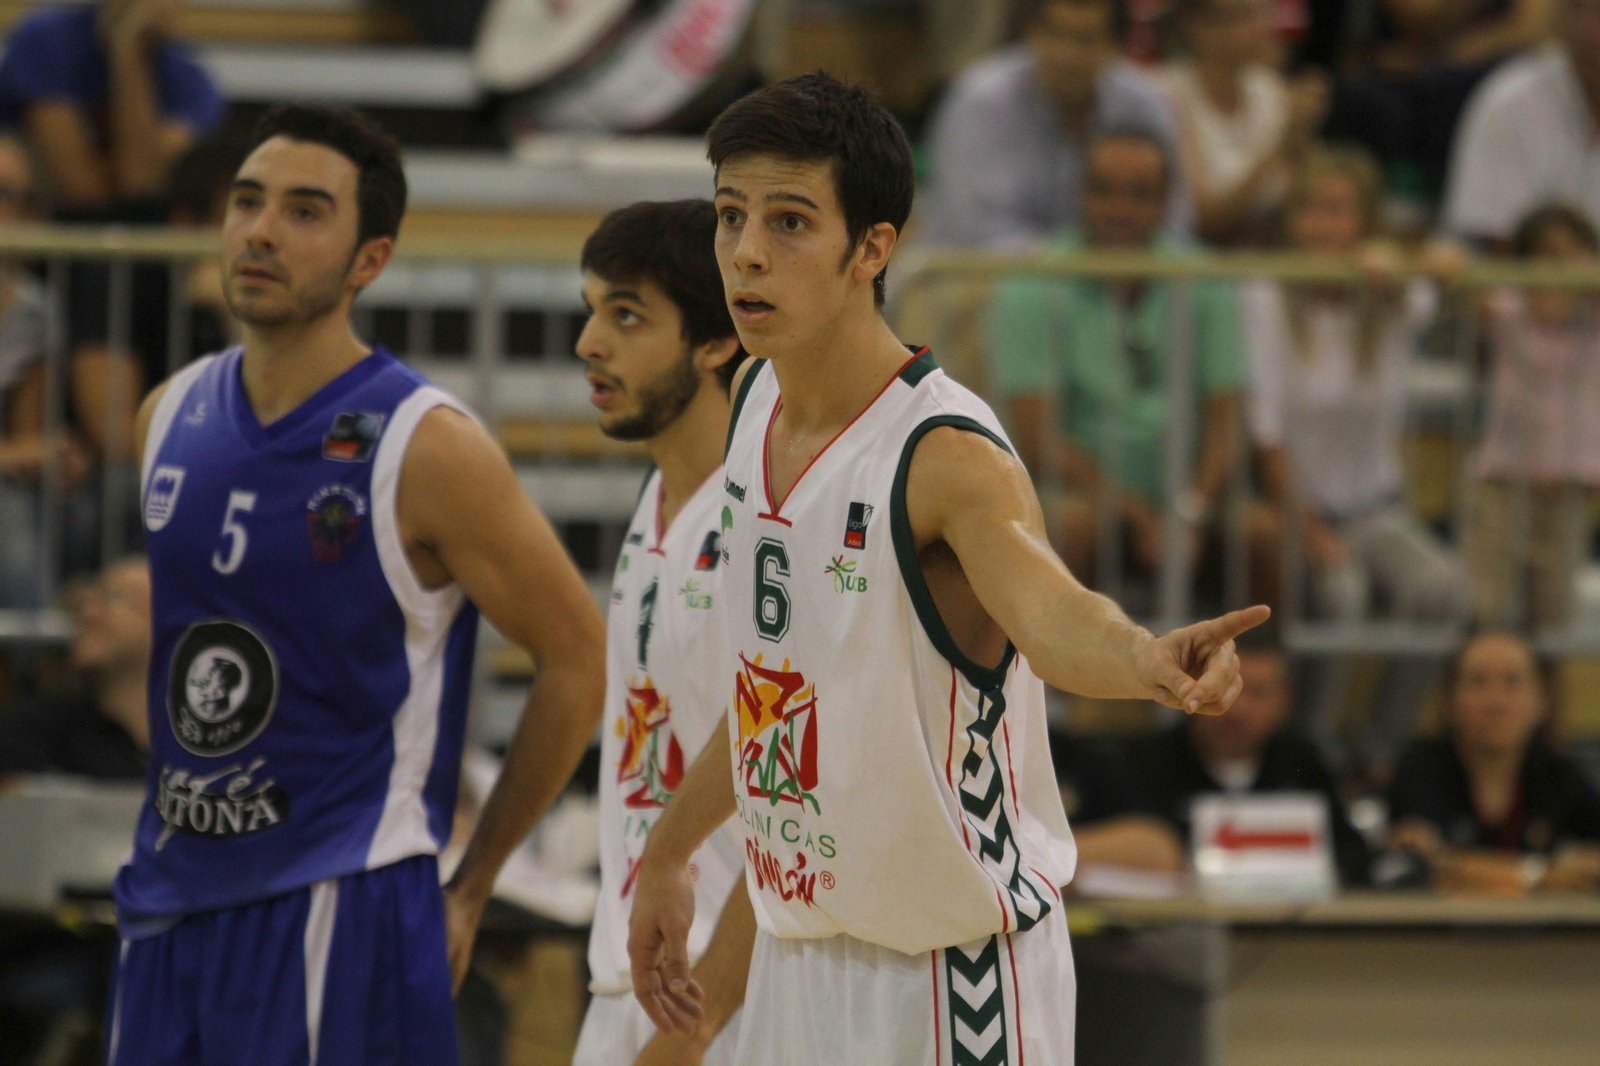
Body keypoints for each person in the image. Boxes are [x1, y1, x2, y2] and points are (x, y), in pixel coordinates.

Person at [626, 73, 1268, 1066]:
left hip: (948, 972)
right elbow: (771, 690)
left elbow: (1050, 610)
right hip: (797, 958)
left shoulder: (943, 450)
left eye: (789, 222)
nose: (746, 251)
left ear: (871, 248)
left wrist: (1145, 655)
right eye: (729, 216)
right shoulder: (752, 399)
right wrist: (670, 850)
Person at [106, 104, 608, 1065]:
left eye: (303, 211)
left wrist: (469, 885)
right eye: (247, 202)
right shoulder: (166, 414)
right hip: (166, 897)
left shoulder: (429, 445)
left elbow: (577, 656)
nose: (259, 230)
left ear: (369, 260)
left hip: (345, 896)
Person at [570, 200, 755, 1066]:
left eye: (627, 316)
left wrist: (704, 1020)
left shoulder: (767, 523)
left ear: (716, 341)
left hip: (729, 1003)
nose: (589, 344)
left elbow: (802, 797)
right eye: (593, 310)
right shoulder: (657, 499)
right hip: (626, 987)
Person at [1243, 146, 1466, 777]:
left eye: (1339, 212)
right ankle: (1311, 751)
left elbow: (1443, 271)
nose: (1322, 227)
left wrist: (1409, 262)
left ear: (1365, 223)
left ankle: (1381, 752)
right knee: (1343, 597)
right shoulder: (1264, 296)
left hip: (1378, 508)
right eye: (1310, 210)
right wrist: (1308, 528)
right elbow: (1266, 434)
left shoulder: (1387, 297)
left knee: (1442, 588)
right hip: (1298, 508)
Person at [986, 128, 1244, 595]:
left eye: (1140, 194)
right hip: (1077, 493)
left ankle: (1262, 667)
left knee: (1261, 533)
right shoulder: (1031, 280)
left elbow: (1228, 419)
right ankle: (1058, 669)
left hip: (1188, 500)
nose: (1120, 209)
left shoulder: (1205, 278)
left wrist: (1189, 510)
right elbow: (1037, 438)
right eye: (1103, 190)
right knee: (1070, 523)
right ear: (1078, 194)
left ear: (1167, 202)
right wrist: (1139, 516)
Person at [922, 0, 1192, 247]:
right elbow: (974, 231)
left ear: (1115, 46)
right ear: (1031, 33)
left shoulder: (1144, 104)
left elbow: (1175, 221)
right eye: (1056, 34)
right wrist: (1074, 268)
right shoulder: (979, 102)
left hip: (1109, 283)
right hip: (983, 280)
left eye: (1085, 39)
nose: (1068, 55)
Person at [1126, 629, 1373, 885]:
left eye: (1257, 693)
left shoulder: (1302, 763)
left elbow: (1350, 855)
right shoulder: (1146, 763)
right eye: (1222, 688)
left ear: (1284, 700)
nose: (1237, 710)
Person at [1466, 204, 1600, 631]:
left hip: (1568, 495)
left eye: (1567, 256)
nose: (1555, 269)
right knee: (1491, 621)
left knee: (1553, 630)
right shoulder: (1506, 310)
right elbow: (1450, 264)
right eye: (1544, 255)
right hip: (1501, 488)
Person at [1388, 631, 1600, 893]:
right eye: (1477, 682)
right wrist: (1538, 875)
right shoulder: (1421, 768)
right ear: (1448, 700)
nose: (1495, 701)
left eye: (1513, 682)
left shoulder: (1557, 772)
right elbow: (1423, 859)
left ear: (1542, 700)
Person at [0, 0, 225, 215]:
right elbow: (81, 191)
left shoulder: (191, 81)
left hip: (137, 231)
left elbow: (140, 186)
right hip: (40, 228)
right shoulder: (47, 38)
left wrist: (127, 51)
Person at [0, 134, 95, 608]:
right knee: (11, 522)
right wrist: (19, 455)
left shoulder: (37, 310)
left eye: (11, 197)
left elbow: (27, 432)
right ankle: (38, 665)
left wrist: (53, 455)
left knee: (80, 511)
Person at [1158, 0, 1328, 246]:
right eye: (1245, 16)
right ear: (1196, 26)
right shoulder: (1167, 93)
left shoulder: (1270, 90)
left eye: (1266, 12)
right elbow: (1203, 220)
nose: (1264, 26)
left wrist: (1302, 138)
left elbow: (1305, 201)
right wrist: (1282, 143)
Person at [1443, 0, 1600, 245]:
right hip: (1526, 281)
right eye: (1578, 8)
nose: (1590, 31)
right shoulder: (1509, 100)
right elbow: (1482, 238)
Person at [0, 556, 150, 780]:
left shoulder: (198, 741)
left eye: (113, 598)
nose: (87, 613)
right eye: (88, 600)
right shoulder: (33, 730)